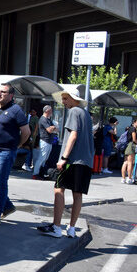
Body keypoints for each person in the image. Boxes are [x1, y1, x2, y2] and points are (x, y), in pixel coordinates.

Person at [38, 91, 94, 238]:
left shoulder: (74, 112)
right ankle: (71, 228)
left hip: (72, 159)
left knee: (58, 189)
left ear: (74, 99)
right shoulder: (85, 114)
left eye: (65, 99)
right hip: (85, 160)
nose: (63, 102)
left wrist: (63, 157)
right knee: (77, 194)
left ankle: (56, 227)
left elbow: (73, 135)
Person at [0, 83, 31, 226]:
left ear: (11, 95)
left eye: (3, 92)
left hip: (5, 152)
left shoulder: (16, 110)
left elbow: (26, 132)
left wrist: (17, 145)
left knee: (1, 183)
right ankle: (8, 206)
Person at [33, 105, 57, 179]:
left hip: (49, 141)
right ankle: (35, 174)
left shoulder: (49, 120)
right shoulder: (43, 119)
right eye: (51, 111)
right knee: (41, 158)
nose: (52, 112)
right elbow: (49, 130)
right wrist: (53, 128)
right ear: (47, 111)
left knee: (45, 159)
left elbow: (56, 129)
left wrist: (53, 128)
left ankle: (41, 172)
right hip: (44, 140)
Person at [120, 119, 137, 184]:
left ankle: (123, 178)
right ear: (134, 123)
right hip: (131, 145)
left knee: (125, 162)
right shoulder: (133, 129)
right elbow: (134, 139)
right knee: (130, 162)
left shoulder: (129, 128)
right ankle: (129, 178)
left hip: (127, 145)